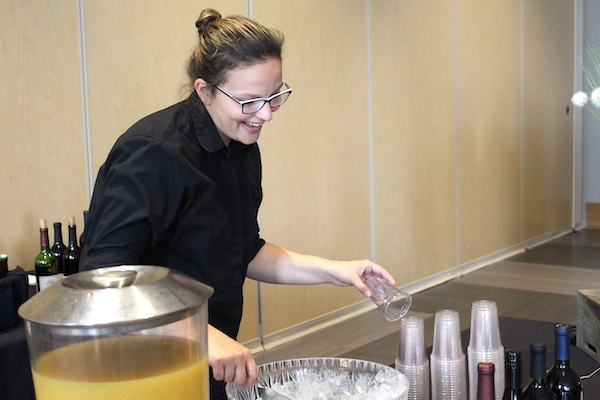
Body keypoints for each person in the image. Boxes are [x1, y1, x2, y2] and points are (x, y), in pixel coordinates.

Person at [80, 9, 396, 400]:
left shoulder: (240, 146)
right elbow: (103, 280)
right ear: (204, 91)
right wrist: (199, 335)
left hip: (209, 355)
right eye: (248, 102)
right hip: (143, 364)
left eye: (275, 95)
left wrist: (336, 270)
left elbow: (243, 250)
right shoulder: (153, 153)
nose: (265, 115)